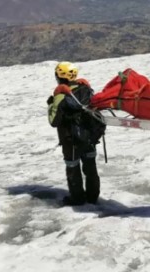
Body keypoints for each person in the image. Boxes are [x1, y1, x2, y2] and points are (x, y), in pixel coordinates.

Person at [47, 61, 102, 206]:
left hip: (71, 139)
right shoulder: (86, 89)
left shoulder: (61, 95)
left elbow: (54, 121)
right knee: (90, 167)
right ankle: (93, 197)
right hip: (89, 137)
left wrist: (51, 104)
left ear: (59, 76)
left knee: (73, 167)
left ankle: (77, 199)